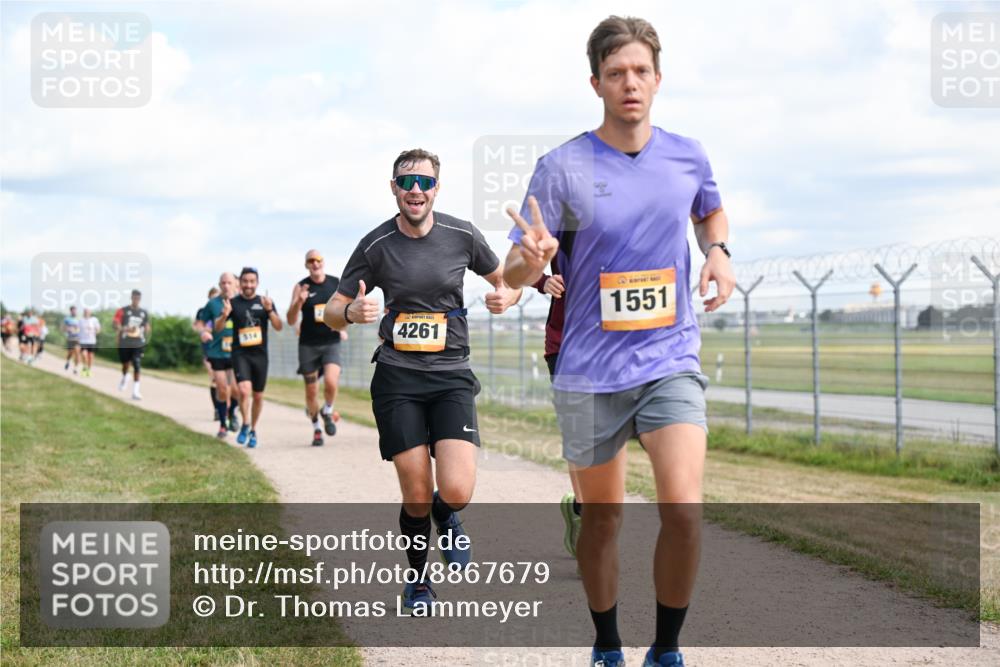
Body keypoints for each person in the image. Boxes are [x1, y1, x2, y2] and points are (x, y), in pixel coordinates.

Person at [502, 16, 735, 667]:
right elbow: (517, 268)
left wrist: (716, 251)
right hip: (588, 372)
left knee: (683, 508)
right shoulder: (562, 167)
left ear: (657, 79)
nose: (629, 83)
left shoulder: (688, 154)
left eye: (640, 71)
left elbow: (708, 209)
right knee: (602, 519)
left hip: (669, 361)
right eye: (615, 73)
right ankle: (607, 643)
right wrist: (531, 259)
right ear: (596, 83)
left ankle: (666, 647)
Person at [324, 148, 521, 614]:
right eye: (406, 182)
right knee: (414, 492)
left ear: (437, 188)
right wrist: (350, 311)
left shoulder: (462, 235)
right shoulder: (375, 245)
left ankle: (447, 513)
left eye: (424, 183)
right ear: (393, 187)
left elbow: (507, 281)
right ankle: (418, 583)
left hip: (451, 374)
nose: (416, 191)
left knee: (455, 490)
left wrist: (506, 299)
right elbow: (332, 310)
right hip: (398, 377)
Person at [216, 267, 282, 448]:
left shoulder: (265, 302)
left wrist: (270, 311)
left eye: (252, 281)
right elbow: (218, 328)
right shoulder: (233, 302)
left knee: (258, 396)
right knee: (244, 390)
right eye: (245, 281)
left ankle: (253, 429)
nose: (248, 285)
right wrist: (224, 314)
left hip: (260, 356)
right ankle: (245, 423)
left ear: (257, 283)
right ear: (240, 283)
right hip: (240, 354)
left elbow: (278, 326)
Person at [287, 250, 346, 447]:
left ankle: (328, 410)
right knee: (311, 391)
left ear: (323, 262)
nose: (314, 263)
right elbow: (291, 319)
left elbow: (344, 310)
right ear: (306, 265)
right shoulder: (301, 286)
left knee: (331, 381)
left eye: (318, 260)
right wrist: (298, 302)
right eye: (310, 261)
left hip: (331, 341)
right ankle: (316, 429)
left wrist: (342, 327)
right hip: (308, 345)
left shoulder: (335, 283)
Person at [200, 275, 240, 439]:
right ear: (219, 285)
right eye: (223, 283)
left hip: (237, 352)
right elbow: (202, 323)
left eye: (229, 282)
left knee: (236, 390)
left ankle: (232, 413)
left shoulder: (241, 302)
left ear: (235, 284)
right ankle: (223, 424)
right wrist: (204, 332)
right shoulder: (212, 304)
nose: (226, 286)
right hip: (218, 352)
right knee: (222, 389)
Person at [114, 290, 151, 400]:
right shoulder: (123, 311)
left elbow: (147, 326)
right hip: (125, 342)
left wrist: (146, 330)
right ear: (131, 298)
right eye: (135, 298)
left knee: (137, 363)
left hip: (138, 342)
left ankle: (135, 391)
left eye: (138, 298)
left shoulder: (144, 312)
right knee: (125, 364)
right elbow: (115, 324)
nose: (136, 300)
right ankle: (125, 376)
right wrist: (124, 328)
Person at [195, 286, 222, 422]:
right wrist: (205, 331)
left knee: (223, 381)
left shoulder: (223, 310)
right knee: (214, 379)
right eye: (213, 297)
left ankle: (227, 407)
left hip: (223, 349)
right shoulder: (203, 312)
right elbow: (197, 326)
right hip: (208, 349)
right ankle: (217, 409)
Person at [78, 308, 101, 377]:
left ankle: (89, 370)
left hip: (91, 341)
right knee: (84, 354)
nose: (86, 313)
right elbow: (77, 329)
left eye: (87, 312)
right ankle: (84, 367)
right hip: (83, 340)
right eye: (85, 312)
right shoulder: (80, 320)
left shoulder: (94, 320)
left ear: (90, 313)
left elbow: (98, 329)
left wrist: (94, 332)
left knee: (90, 356)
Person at [62, 305, 82, 374]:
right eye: (73, 310)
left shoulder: (79, 319)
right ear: (70, 311)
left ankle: (75, 368)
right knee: (70, 352)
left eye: (75, 310)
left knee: (77, 352)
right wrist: (67, 330)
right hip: (70, 338)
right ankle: (68, 361)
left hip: (78, 338)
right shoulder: (67, 319)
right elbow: (63, 328)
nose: (74, 312)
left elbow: (82, 328)